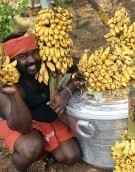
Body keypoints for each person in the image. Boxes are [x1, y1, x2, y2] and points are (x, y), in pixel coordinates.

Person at [0, 32, 80, 171]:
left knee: (71, 156)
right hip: (16, 120)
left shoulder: (48, 64)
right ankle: (20, 167)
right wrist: (15, 96)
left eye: (34, 52)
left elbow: (84, 68)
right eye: (23, 56)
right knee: (32, 147)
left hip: (43, 115)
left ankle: (44, 150)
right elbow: (23, 128)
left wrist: (66, 91)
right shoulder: (6, 83)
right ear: (11, 61)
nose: (32, 60)